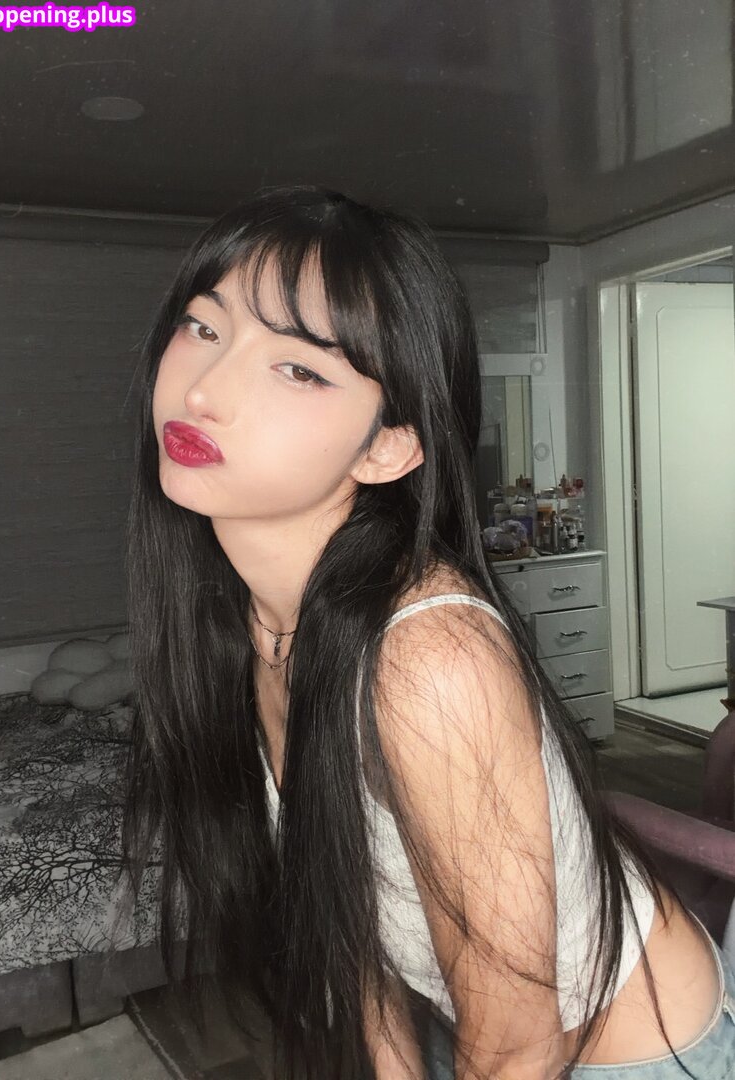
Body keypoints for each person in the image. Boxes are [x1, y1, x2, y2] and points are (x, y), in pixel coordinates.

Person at [120, 183, 735, 1080]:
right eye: (204, 326)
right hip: (476, 1023)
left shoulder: (429, 656)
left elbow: (522, 1040)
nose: (204, 389)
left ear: (389, 447)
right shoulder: (255, 620)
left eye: (299, 368)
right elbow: (346, 921)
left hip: (639, 1056)